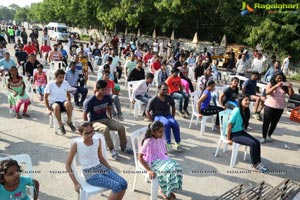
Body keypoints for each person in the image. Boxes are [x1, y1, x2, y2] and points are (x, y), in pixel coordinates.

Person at [66, 121, 127, 200]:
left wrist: (111, 170)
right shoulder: (77, 144)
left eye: (91, 132)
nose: (90, 135)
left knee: (124, 183)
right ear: (81, 134)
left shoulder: (97, 140)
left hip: (101, 168)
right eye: (87, 133)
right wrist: (75, 183)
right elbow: (68, 165)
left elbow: (101, 158)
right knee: (117, 186)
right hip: (89, 173)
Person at [83, 80, 133, 160]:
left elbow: (109, 108)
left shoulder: (107, 97)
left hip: (106, 119)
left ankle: (124, 147)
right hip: (95, 121)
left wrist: (110, 118)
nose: (105, 91)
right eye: (103, 89)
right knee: (105, 129)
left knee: (121, 127)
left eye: (106, 89)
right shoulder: (90, 101)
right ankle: (112, 149)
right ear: (97, 90)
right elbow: (84, 114)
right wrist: (87, 127)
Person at [138, 121, 182, 200]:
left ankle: (167, 189)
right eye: (160, 132)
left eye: (163, 131)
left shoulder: (160, 138)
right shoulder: (148, 141)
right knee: (167, 171)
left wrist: (166, 157)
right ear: (153, 132)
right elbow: (140, 157)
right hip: (152, 162)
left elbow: (164, 149)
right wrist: (148, 170)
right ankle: (165, 191)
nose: (162, 133)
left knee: (176, 167)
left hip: (162, 159)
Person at [226, 95, 268, 173]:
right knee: (252, 143)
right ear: (241, 101)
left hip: (240, 131)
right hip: (233, 134)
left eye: (248, 100)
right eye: (245, 100)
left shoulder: (246, 110)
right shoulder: (237, 110)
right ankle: (254, 164)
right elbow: (229, 125)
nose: (247, 102)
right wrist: (228, 139)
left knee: (257, 142)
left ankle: (258, 162)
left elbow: (244, 125)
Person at [146, 82, 182, 152]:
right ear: (159, 89)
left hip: (167, 115)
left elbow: (173, 106)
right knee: (166, 123)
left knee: (174, 123)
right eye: (164, 89)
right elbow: (147, 111)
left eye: (167, 89)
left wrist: (173, 117)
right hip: (158, 116)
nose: (166, 91)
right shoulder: (153, 99)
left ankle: (178, 142)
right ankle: (168, 143)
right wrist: (152, 122)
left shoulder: (169, 97)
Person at [260, 71, 294, 143]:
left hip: (280, 107)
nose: (279, 80)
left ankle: (269, 135)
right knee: (266, 122)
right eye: (278, 78)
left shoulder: (284, 85)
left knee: (274, 122)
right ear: (274, 78)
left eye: (281, 78)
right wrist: (276, 86)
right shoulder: (271, 84)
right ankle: (263, 137)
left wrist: (290, 87)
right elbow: (267, 92)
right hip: (269, 105)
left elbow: (291, 94)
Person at [44, 69, 76, 135]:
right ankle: (61, 125)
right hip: (54, 103)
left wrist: (70, 104)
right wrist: (48, 109)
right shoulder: (50, 85)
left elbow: (68, 94)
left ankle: (69, 121)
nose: (62, 79)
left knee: (69, 104)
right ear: (56, 77)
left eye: (63, 77)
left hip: (63, 102)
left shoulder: (65, 83)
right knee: (56, 106)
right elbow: (45, 97)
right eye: (60, 77)